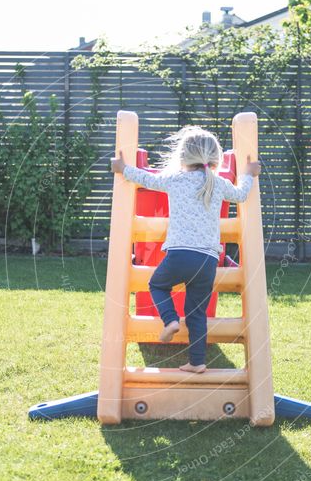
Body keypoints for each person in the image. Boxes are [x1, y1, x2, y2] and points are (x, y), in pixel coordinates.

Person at [110, 126, 261, 373]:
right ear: (215, 158)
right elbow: (241, 195)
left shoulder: (175, 179)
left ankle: (170, 320)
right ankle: (197, 362)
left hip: (179, 254)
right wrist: (249, 174)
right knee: (197, 314)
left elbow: (146, 179)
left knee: (158, 285)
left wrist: (122, 169)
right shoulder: (219, 183)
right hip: (208, 261)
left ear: (183, 157)